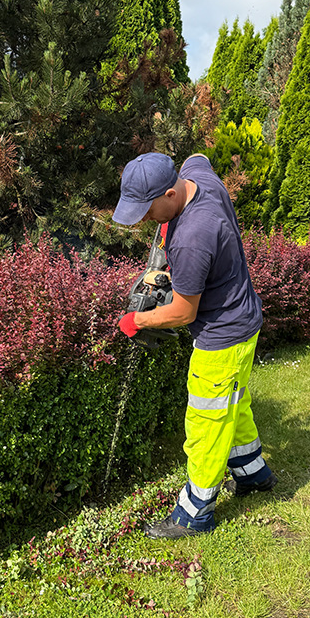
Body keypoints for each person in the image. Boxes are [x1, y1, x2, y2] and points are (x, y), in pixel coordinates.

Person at [113, 151, 276, 538]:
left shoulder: (192, 238)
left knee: (206, 418)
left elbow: (184, 312)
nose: (144, 219)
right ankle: (253, 474)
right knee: (232, 403)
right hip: (244, 319)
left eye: (148, 209)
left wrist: (137, 320)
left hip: (223, 335)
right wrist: (162, 264)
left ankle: (194, 513)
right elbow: (197, 155)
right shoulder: (198, 176)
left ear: (171, 192)